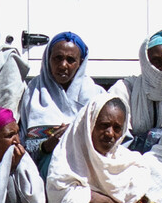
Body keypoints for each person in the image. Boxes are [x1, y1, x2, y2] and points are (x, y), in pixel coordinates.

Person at [18, 32, 102, 172]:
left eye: (70, 60)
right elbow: (21, 146)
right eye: (57, 58)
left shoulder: (95, 94)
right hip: (41, 173)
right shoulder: (33, 91)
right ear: (48, 59)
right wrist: (45, 146)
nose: (63, 65)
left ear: (80, 62)